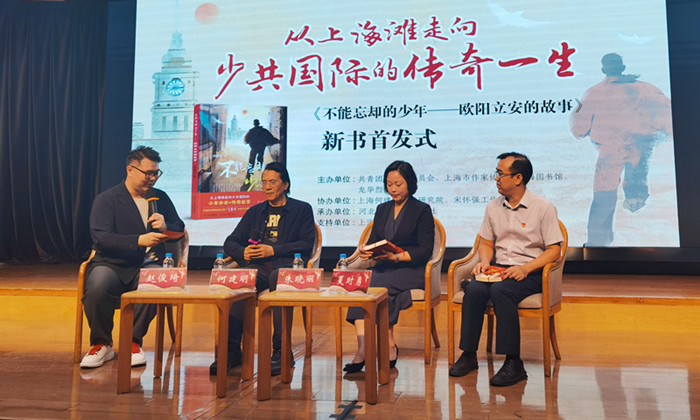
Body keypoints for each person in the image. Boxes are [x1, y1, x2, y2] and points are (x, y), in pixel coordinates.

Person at [449, 152, 563, 387]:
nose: (496, 179)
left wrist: (526, 268)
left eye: (501, 174)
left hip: (531, 272)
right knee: (475, 290)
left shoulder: (543, 207)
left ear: (518, 178)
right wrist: (484, 261)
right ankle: (469, 355)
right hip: (499, 270)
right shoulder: (493, 207)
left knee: (501, 291)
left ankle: (514, 363)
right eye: (496, 174)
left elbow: (554, 250)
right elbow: (486, 242)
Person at [80, 146, 185, 368]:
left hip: (147, 263)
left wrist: (165, 226)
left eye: (156, 173)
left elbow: (179, 230)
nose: (152, 178)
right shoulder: (107, 199)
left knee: (154, 282)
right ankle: (101, 344)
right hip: (111, 262)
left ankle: (133, 342)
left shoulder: (161, 198)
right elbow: (102, 238)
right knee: (98, 285)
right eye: (148, 173)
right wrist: (138, 240)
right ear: (130, 169)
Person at [215, 162, 315, 376]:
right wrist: (243, 252)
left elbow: (307, 244)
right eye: (264, 182)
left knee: (277, 278)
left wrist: (274, 250)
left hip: (289, 268)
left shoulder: (302, 209)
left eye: (273, 182)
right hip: (260, 268)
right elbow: (230, 242)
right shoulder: (255, 212)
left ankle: (281, 351)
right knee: (241, 280)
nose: (267, 187)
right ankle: (232, 351)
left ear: (285, 184)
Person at [570, 53, 672, 246]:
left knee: (604, 196)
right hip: (643, 150)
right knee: (639, 197)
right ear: (623, 67)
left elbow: (578, 129)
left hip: (610, 153)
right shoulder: (649, 90)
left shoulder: (594, 93)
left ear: (603, 69)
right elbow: (671, 121)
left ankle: (598, 244)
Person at [343, 160, 435, 373]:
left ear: (410, 183)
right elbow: (374, 241)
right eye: (389, 184)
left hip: (412, 269)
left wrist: (397, 257)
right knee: (363, 285)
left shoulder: (421, 210)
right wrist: (366, 250)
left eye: (398, 184)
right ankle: (364, 348)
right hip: (385, 268)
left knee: (376, 284)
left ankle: (388, 343)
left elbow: (425, 250)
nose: (393, 189)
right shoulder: (382, 209)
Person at [243, 119, 279, 187]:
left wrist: (248, 142)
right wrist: (276, 141)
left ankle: (249, 173)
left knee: (251, 160)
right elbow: (270, 138)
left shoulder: (252, 131)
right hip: (261, 147)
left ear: (254, 124)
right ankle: (259, 167)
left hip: (254, 148)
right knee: (260, 157)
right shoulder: (263, 131)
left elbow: (246, 139)